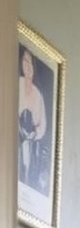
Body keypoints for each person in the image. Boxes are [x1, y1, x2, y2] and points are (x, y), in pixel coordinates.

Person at [17, 45, 47, 192]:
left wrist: (34, 134)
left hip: (30, 144)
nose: (28, 65)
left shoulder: (38, 95)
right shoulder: (16, 83)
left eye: (30, 62)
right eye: (25, 60)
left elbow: (42, 125)